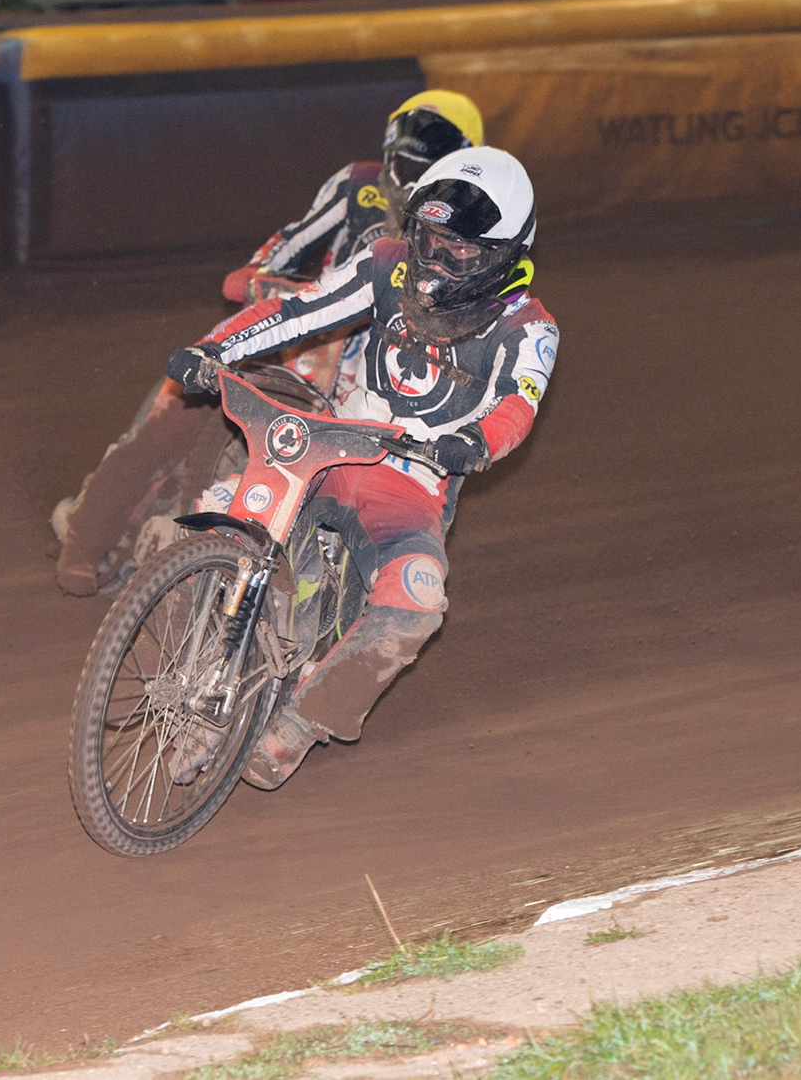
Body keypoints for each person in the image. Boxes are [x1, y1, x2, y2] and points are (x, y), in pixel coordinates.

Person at [164, 145, 559, 789]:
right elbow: (300, 311)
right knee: (215, 514)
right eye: (428, 238)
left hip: (412, 481)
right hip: (326, 446)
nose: (433, 260)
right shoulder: (386, 264)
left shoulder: (529, 327)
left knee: (417, 601)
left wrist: (473, 445)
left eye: (457, 249)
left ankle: (297, 726)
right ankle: (202, 675)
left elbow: (516, 406)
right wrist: (214, 348)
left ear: (504, 255)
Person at [53, 90, 486, 597]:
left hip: (367, 383)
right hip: (301, 340)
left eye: (430, 154)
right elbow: (286, 245)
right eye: (407, 148)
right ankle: (86, 535)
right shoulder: (359, 185)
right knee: (179, 406)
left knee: (343, 489)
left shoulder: (474, 236)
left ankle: (276, 583)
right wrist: (259, 277)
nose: (412, 164)